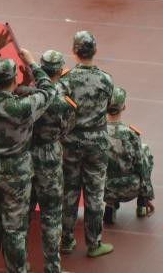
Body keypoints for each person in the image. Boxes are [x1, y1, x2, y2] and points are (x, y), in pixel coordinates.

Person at [0, 26, 55, 273]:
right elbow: (48, 90)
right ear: (15, 80)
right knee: (15, 230)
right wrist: (32, 64)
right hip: (16, 172)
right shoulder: (23, 107)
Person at [60, 30, 115, 260]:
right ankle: (94, 244)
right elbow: (110, 104)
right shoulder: (106, 79)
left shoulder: (66, 79)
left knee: (69, 191)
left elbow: (60, 107)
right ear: (95, 51)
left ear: (74, 51)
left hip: (71, 142)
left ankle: (66, 240)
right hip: (96, 143)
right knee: (95, 194)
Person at [24, 50, 77, 273]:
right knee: (51, 215)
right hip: (50, 158)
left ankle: (19, 265)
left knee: (22, 215)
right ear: (59, 72)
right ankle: (52, 268)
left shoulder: (25, 94)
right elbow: (68, 129)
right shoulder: (63, 103)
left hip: (25, 157)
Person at [103, 87, 155, 225]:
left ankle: (109, 206)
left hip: (105, 190)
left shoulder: (97, 133)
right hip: (131, 188)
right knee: (146, 152)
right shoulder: (131, 135)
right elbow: (141, 165)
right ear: (124, 107)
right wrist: (148, 193)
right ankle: (142, 204)